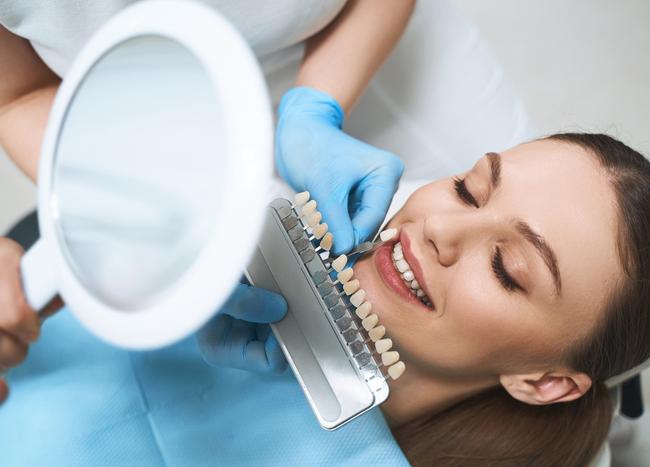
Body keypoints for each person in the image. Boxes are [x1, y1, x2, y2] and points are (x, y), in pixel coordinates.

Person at [2, 133, 649, 467]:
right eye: (469, 189)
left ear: (544, 381)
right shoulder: (208, 247)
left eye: (507, 268)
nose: (439, 229)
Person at [0, 0, 415, 401]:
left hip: (364, 57)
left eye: (467, 192)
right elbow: (19, 93)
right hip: (147, 136)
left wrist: (314, 107)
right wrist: (143, 199)